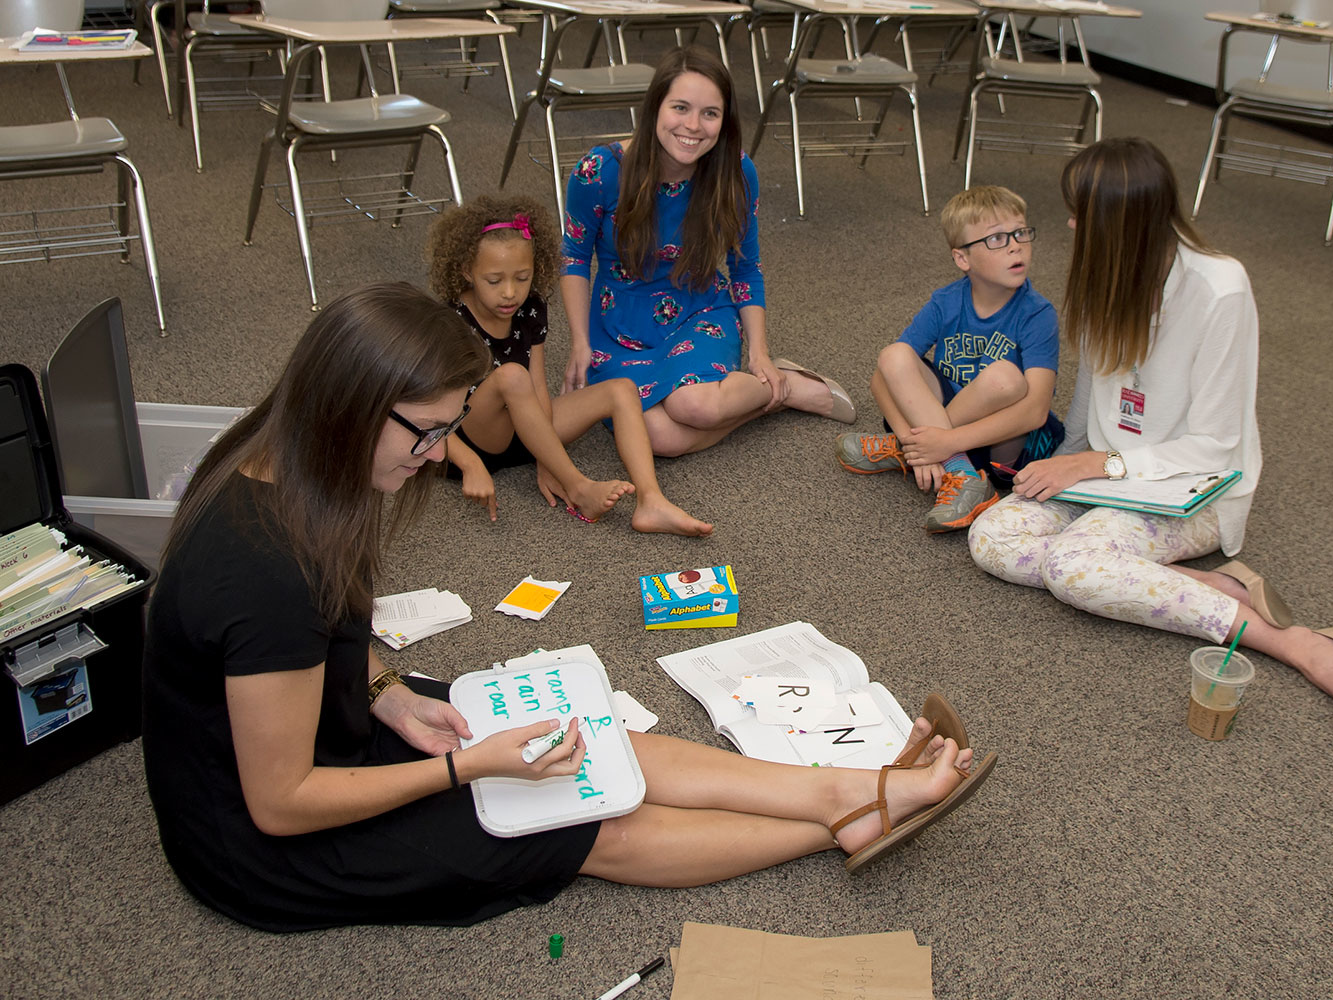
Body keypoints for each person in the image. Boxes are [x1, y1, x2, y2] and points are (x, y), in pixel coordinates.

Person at [141, 282, 994, 932]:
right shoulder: (264, 569)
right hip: (264, 845)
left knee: (581, 738)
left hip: (328, 723)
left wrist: (386, 690)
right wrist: (464, 769)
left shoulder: (298, 463)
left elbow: (333, 631)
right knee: (574, 824)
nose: (440, 457)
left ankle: (839, 783)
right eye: (430, 432)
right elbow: (280, 801)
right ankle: (845, 817)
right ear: (355, 405)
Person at [967, 138, 1333, 717]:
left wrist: (1097, 465)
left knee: (1072, 567)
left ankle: (1294, 642)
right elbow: (1093, 390)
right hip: (1108, 477)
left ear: (1119, 223)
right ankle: (1213, 586)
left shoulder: (1220, 289)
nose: (1070, 223)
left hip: (1195, 489)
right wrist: (1064, 460)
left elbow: (1215, 444)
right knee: (993, 538)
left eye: (1081, 213)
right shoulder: (1112, 274)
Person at [560, 46, 856, 458]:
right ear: (654, 108)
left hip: (698, 309)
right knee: (657, 439)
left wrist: (760, 354)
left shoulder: (735, 172)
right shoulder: (599, 172)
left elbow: (746, 268)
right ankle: (779, 394)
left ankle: (779, 382)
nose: (693, 126)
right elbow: (573, 257)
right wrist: (579, 342)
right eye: (680, 107)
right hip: (617, 326)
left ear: (724, 120)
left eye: (710, 113)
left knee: (694, 405)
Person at [426, 193, 712, 536]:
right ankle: (578, 487)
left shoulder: (530, 308)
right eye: (494, 280)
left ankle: (651, 501)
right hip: (467, 438)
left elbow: (539, 386)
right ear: (466, 271)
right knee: (511, 377)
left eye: (522, 277)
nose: (509, 293)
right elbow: (428, 413)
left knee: (620, 389)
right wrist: (469, 463)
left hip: (524, 426)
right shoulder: (449, 323)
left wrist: (546, 454)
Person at [835, 185, 1064, 534]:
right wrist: (918, 441)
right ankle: (956, 470)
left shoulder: (1038, 314)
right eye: (997, 239)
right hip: (946, 425)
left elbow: (1034, 411)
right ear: (962, 259)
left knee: (1004, 376)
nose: (1015, 245)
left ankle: (913, 452)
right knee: (894, 355)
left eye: (1020, 233)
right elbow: (882, 377)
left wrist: (942, 442)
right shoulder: (946, 301)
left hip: (1005, 443)